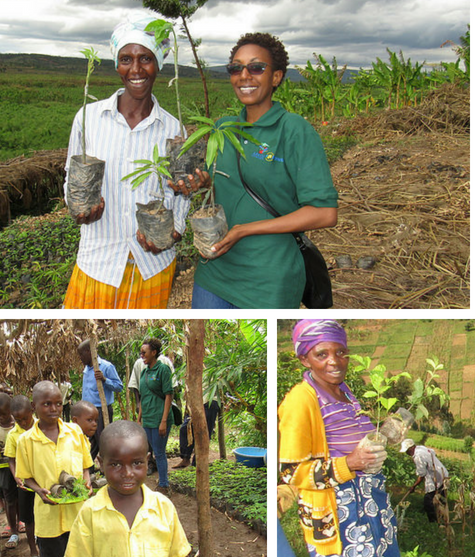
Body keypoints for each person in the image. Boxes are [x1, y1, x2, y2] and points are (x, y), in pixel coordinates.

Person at [174, 32, 338, 309]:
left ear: (276, 77)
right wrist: (203, 181)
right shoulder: (224, 128)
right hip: (215, 270)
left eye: (256, 67)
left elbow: (325, 212)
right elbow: (226, 181)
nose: (244, 75)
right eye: (236, 68)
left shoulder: (294, 130)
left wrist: (244, 230)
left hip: (268, 278)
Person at [278, 319, 411, 557]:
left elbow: (355, 445)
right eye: (321, 354)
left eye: (341, 352)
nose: (334, 361)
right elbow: (292, 474)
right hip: (340, 525)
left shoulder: (347, 393)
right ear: (304, 358)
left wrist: (383, 438)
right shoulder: (301, 400)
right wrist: (349, 463)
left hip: (374, 517)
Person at [62, 18, 189, 309]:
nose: (136, 69)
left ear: (158, 64)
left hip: (152, 262)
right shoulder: (88, 118)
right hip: (98, 258)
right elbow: (72, 175)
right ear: (116, 65)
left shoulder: (173, 128)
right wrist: (77, 207)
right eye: (126, 59)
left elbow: (182, 191)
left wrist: (176, 228)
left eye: (145, 59)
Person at [65, 420, 190, 557]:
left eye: (137, 463)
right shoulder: (89, 513)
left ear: (147, 460)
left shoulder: (163, 508)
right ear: (100, 462)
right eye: (115, 464)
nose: (128, 472)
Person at [16, 381, 92, 557]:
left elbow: (85, 464)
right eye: (46, 403)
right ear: (34, 406)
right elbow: (26, 476)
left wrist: (87, 481)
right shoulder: (26, 440)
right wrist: (39, 490)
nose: (53, 408)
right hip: (48, 514)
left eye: (58, 403)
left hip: (76, 510)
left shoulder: (74, 432)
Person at [4, 394, 41, 557]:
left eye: (25, 418)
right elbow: (11, 459)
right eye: (18, 421)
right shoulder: (13, 435)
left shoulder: (43, 427)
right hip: (26, 483)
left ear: (32, 410)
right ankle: (34, 551)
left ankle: (45, 544)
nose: (23, 423)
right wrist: (16, 476)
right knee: (28, 517)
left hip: (43, 480)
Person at [136, 338, 175, 492]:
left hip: (160, 418)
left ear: (154, 352)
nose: (142, 355)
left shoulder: (163, 370)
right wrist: (139, 418)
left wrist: (164, 421)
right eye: (141, 353)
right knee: (148, 451)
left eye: (144, 352)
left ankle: (164, 484)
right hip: (148, 419)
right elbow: (143, 397)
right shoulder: (144, 372)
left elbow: (168, 395)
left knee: (159, 452)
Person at [75, 339, 123, 456]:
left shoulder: (106, 367)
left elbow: (119, 386)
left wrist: (105, 380)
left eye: (81, 354)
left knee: (102, 439)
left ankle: (106, 464)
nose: (80, 357)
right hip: (87, 412)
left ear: (89, 352)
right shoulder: (86, 369)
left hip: (101, 410)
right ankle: (89, 467)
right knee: (90, 440)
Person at [0, 393, 22, 545]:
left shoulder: (19, 425)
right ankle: (13, 531)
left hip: (21, 467)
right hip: (4, 469)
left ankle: (22, 523)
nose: (1, 417)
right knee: (9, 499)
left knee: (23, 498)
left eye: (4, 413)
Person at [400, 439, 449, 523]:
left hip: (436, 477)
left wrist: (414, 486)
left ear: (411, 448)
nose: (407, 453)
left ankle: (434, 522)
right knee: (441, 498)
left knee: (428, 501)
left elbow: (421, 474)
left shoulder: (418, 456)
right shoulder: (421, 448)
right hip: (443, 474)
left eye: (407, 451)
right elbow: (433, 452)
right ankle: (443, 519)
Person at [174, 398, 220, 469]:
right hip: (194, 401)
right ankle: (185, 458)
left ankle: (197, 462)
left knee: (204, 432)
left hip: (210, 401)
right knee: (184, 429)